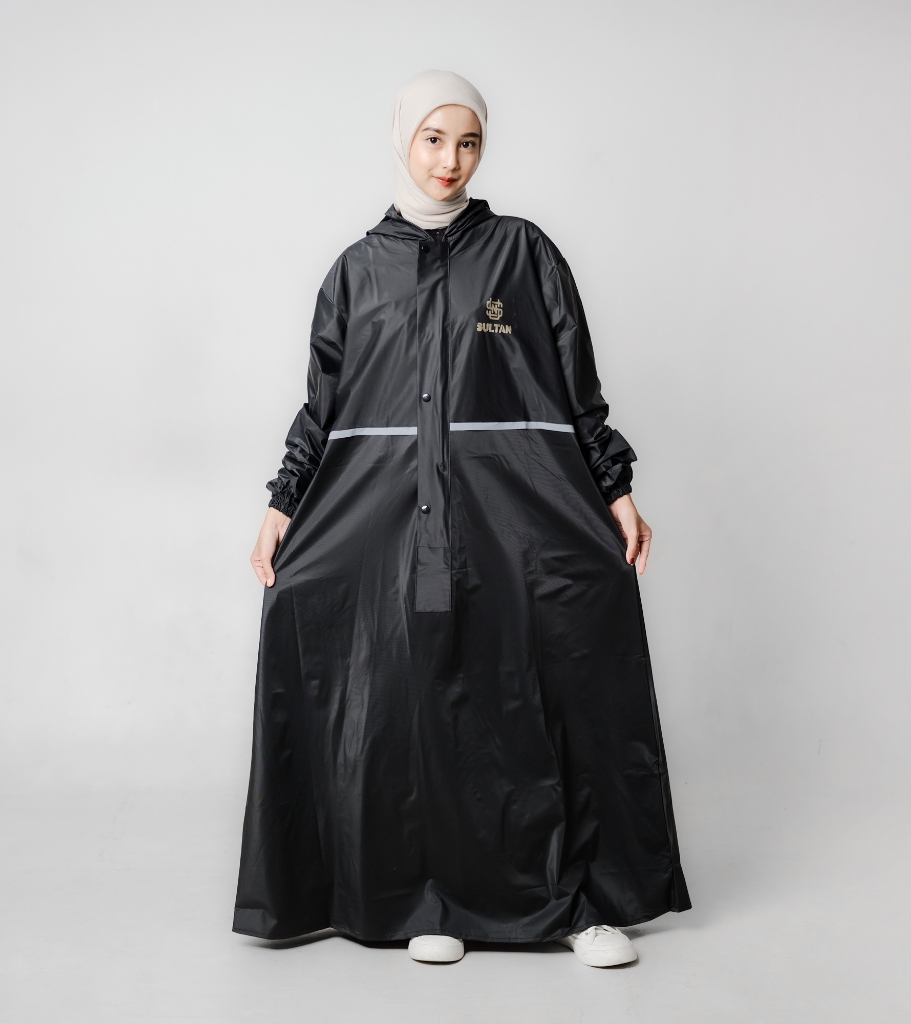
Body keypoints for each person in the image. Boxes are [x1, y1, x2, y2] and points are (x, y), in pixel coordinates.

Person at [233, 70, 690, 968]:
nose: (450, 159)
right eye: (433, 138)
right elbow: (323, 406)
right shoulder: (357, 271)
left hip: (512, 519)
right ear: (403, 140)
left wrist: (617, 491)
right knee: (406, 699)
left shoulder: (524, 253)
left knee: (530, 691)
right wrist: (282, 505)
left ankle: (572, 902)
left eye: (469, 141)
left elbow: (577, 389)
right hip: (388, 521)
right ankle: (427, 898)